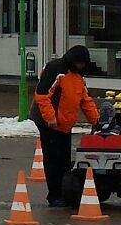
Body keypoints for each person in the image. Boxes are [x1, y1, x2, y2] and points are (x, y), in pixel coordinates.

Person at [33, 45, 100, 208]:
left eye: (83, 64)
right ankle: (54, 196)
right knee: (53, 160)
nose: (81, 66)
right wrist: (50, 117)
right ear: (73, 61)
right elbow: (41, 95)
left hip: (64, 124)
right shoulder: (55, 69)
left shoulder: (78, 77)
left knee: (64, 160)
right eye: (79, 63)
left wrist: (97, 121)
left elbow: (86, 100)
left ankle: (65, 193)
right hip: (48, 123)